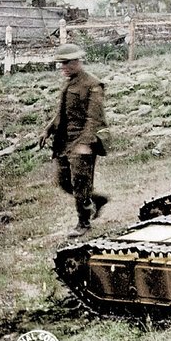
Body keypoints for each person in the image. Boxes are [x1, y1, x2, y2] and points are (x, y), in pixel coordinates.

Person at [39, 43, 109, 237]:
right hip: (64, 141)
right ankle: (97, 200)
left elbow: (94, 118)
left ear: (78, 61)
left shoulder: (92, 84)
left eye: (67, 63)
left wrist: (85, 143)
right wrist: (48, 130)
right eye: (61, 63)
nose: (63, 67)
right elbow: (62, 112)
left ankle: (83, 223)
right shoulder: (69, 82)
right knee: (63, 181)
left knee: (81, 184)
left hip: (82, 141)